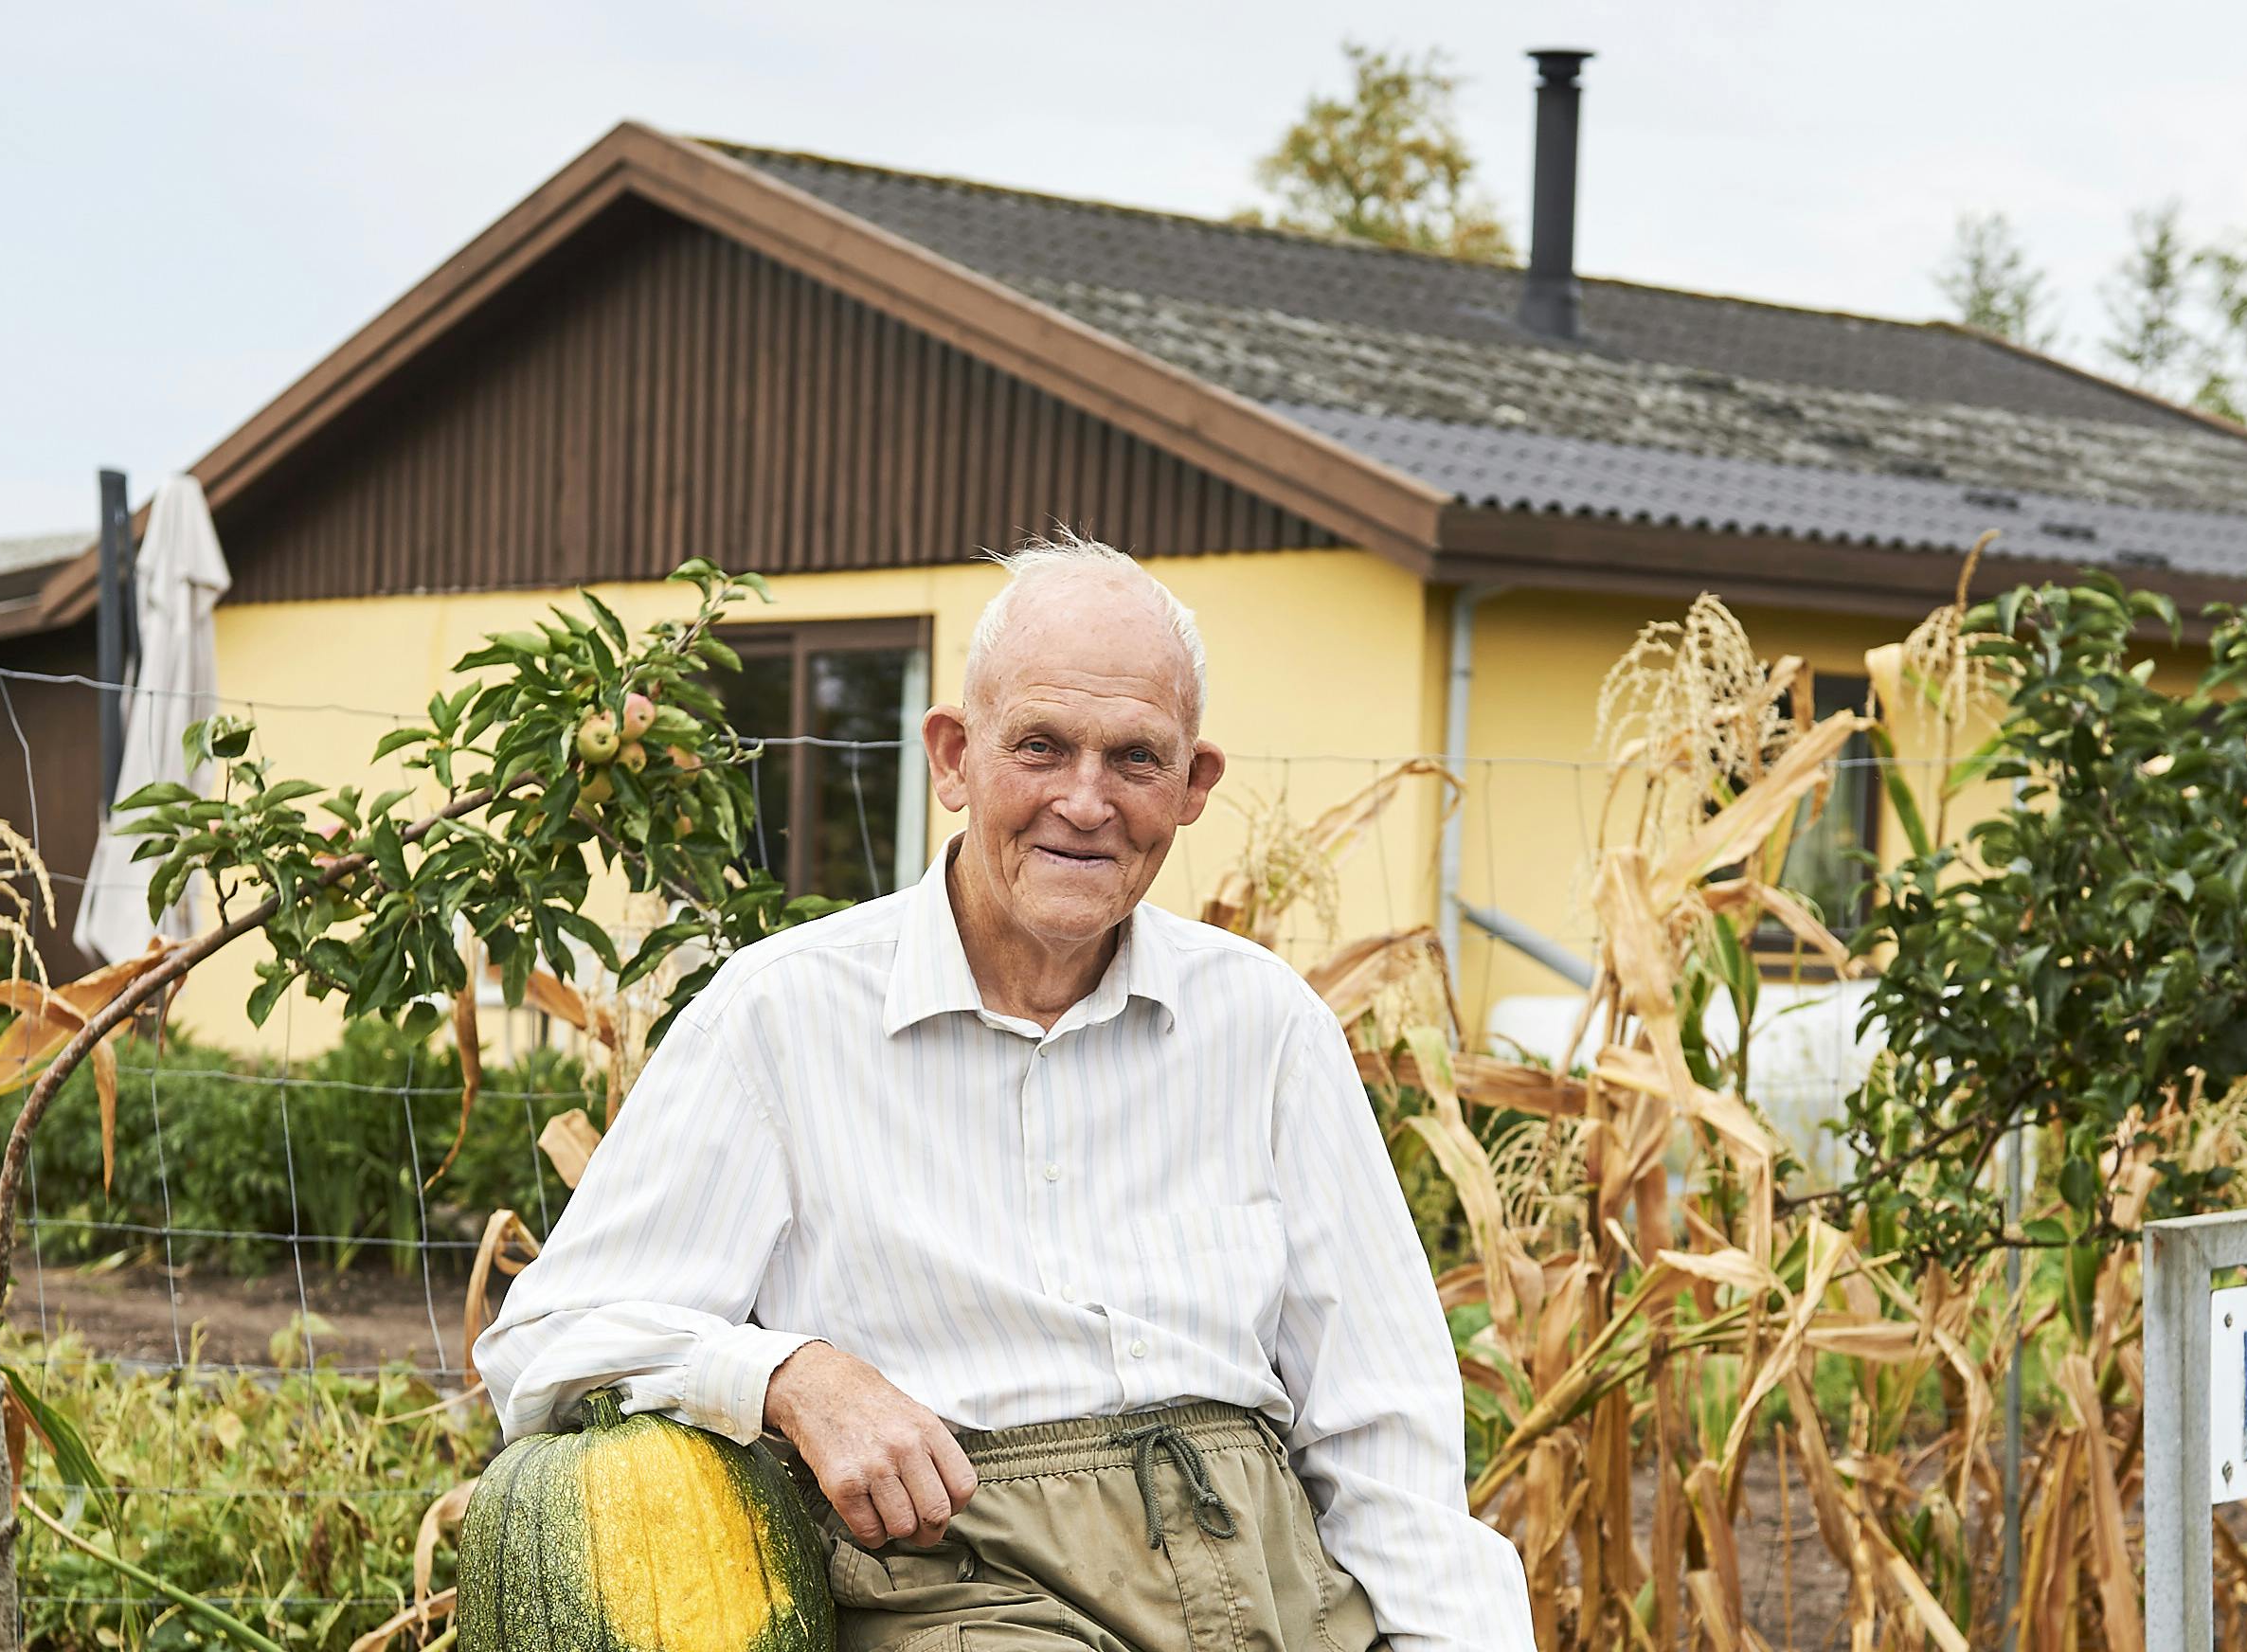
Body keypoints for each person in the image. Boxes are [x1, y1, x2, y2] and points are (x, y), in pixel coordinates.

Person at [476, 534, 1530, 1651]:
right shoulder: (780, 1016)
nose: (1085, 801)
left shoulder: (1266, 1026)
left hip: (1268, 1582)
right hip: (965, 1587)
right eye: (1040, 745)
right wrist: (785, 1372)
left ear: (1192, 786)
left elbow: (1386, 1435)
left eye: (1134, 757)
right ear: (950, 758)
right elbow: (547, 1339)